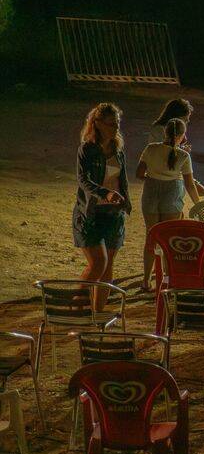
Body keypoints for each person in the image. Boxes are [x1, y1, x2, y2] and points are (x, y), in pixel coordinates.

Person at [74, 103, 131, 311]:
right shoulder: (87, 149)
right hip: (92, 213)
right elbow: (83, 180)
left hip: (113, 213)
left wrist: (126, 201)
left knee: (108, 265)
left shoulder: (117, 149)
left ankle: (97, 312)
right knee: (99, 262)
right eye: (110, 124)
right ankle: (76, 307)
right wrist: (105, 193)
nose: (115, 128)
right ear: (97, 124)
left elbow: (122, 178)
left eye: (117, 123)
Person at [137, 117, 204, 289]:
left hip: (151, 193)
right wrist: (198, 203)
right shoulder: (183, 155)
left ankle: (146, 279)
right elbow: (189, 183)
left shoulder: (151, 149)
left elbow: (139, 173)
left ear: (165, 132)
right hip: (172, 195)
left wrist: (154, 177)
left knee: (151, 237)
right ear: (182, 135)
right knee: (169, 239)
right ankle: (168, 277)